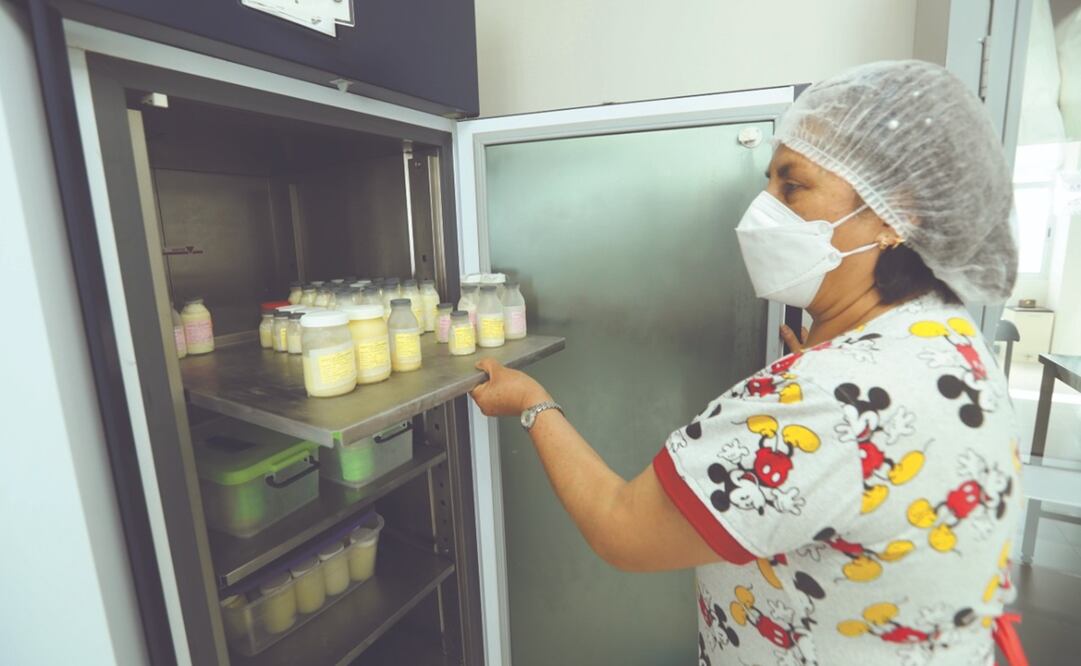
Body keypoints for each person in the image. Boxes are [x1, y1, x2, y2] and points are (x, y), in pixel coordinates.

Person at [470, 60, 1023, 665]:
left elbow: (620, 528)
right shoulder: (940, 335)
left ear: (896, 215)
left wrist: (531, 401)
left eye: (793, 187)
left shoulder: (829, 397)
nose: (761, 212)